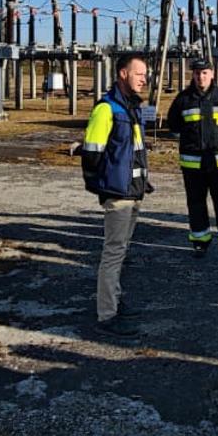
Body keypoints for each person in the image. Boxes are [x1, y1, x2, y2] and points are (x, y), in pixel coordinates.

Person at [80, 55, 153, 340]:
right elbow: (92, 153)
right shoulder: (106, 109)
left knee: (121, 251)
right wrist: (103, 185)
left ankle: (115, 299)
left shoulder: (132, 107)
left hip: (133, 191)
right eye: (139, 73)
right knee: (112, 253)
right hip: (118, 193)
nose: (144, 79)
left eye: (145, 74)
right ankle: (107, 314)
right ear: (123, 73)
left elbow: (135, 152)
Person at [169, 57, 218, 261]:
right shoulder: (183, 99)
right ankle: (200, 243)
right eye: (197, 73)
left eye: (204, 73)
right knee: (196, 204)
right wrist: (191, 142)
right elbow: (174, 126)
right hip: (193, 164)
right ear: (192, 75)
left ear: (212, 74)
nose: (200, 77)